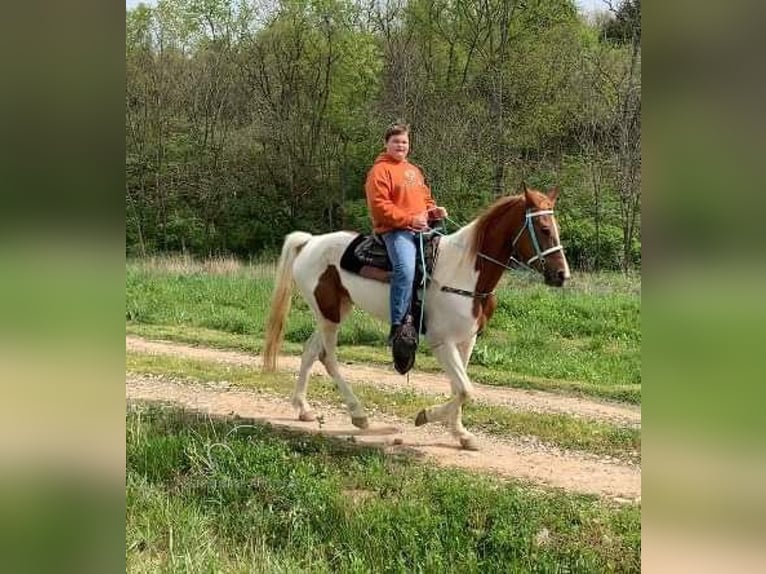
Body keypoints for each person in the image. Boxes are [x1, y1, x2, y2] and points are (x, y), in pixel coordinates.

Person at [364, 123, 448, 348]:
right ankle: (398, 325)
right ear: (386, 143)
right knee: (406, 269)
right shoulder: (379, 171)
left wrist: (434, 210)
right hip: (395, 231)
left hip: (422, 229)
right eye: (396, 141)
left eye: (404, 142)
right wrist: (410, 220)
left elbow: (425, 198)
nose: (401, 146)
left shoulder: (413, 170)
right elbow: (379, 207)